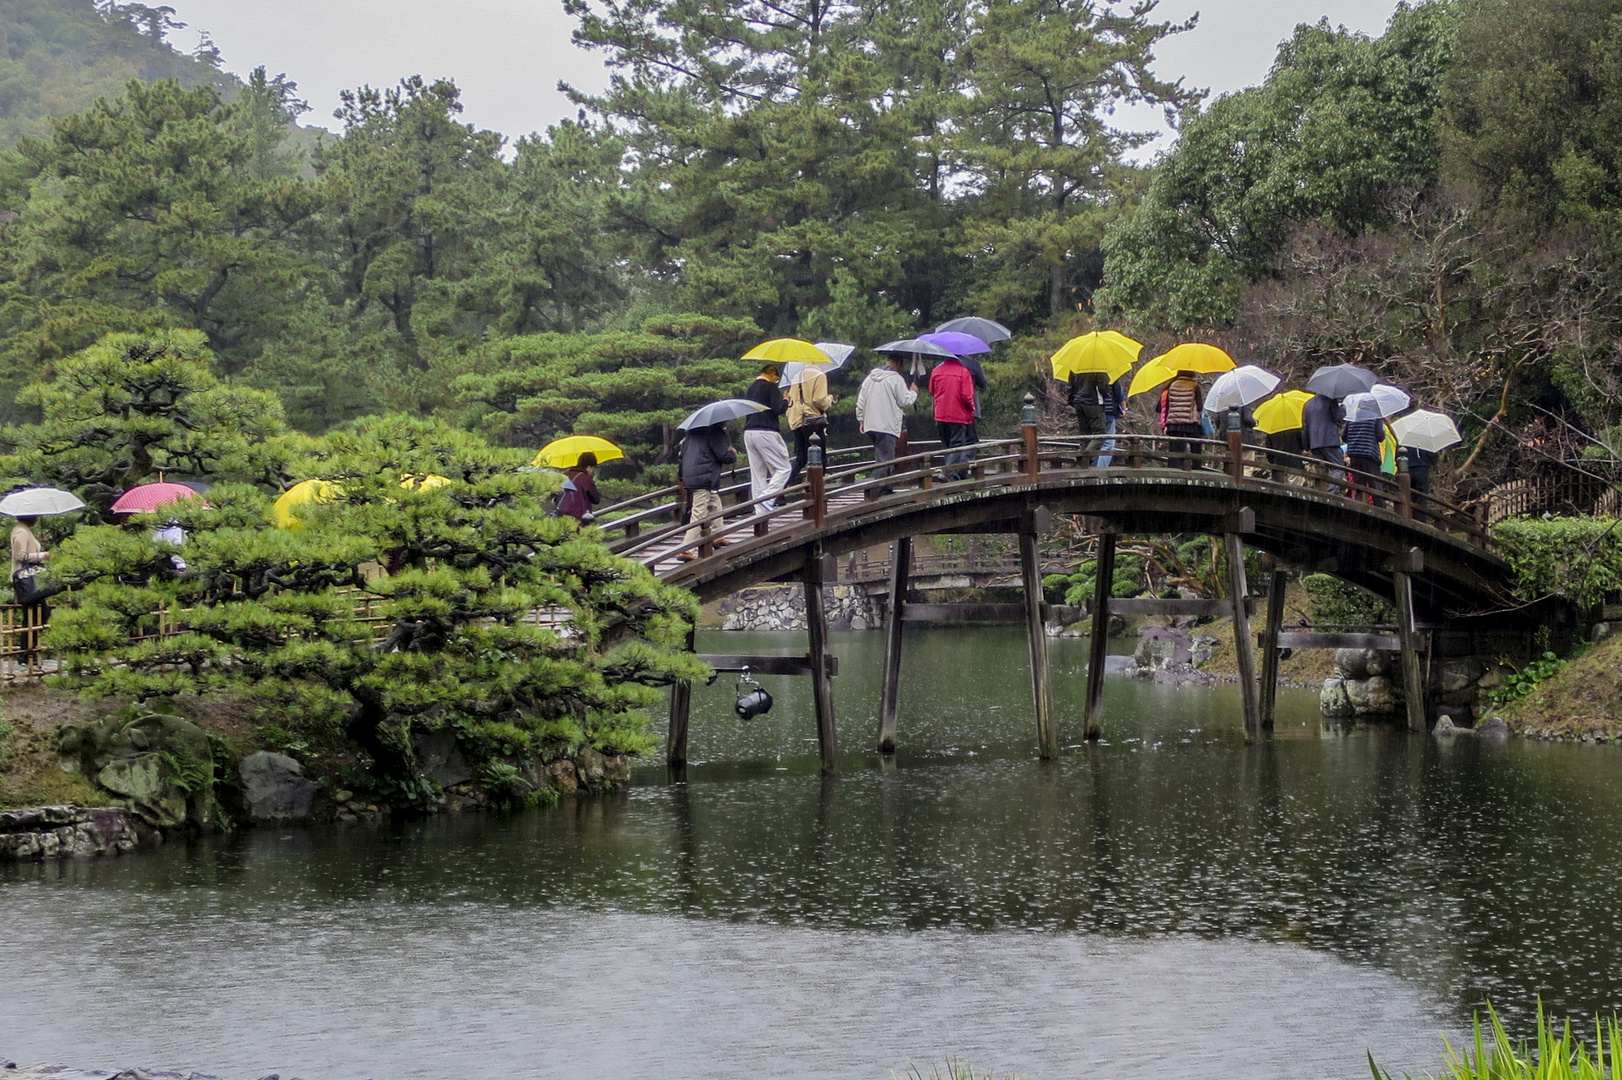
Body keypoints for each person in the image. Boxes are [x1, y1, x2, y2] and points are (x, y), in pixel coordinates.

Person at [856, 355, 917, 494]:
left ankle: (886, 487)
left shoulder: (869, 379)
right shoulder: (895, 379)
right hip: (886, 425)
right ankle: (881, 489)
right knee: (885, 457)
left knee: (882, 454)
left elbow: (860, 402)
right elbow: (904, 401)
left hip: (870, 423)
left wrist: (861, 420)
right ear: (897, 364)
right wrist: (913, 392)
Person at [678, 423, 736, 559]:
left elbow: (682, 457)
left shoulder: (691, 434)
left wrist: (682, 476)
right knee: (698, 514)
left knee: (715, 504)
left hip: (690, 476)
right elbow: (723, 456)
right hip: (704, 478)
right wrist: (732, 453)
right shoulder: (714, 432)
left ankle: (717, 535)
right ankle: (686, 549)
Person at [742, 364, 792, 511]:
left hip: (749, 431)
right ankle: (767, 498)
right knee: (784, 468)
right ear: (771, 374)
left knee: (758, 474)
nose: (776, 381)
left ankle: (760, 512)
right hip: (766, 431)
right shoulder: (770, 387)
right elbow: (778, 409)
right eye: (776, 378)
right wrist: (786, 400)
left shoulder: (751, 388)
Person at [786, 364, 835, 486]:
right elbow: (819, 400)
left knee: (800, 459)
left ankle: (780, 488)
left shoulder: (796, 376)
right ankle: (817, 491)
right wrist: (829, 399)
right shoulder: (819, 375)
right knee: (820, 458)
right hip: (812, 421)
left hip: (796, 421)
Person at [930, 354, 977, 480]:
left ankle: (952, 474)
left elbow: (932, 391)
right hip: (957, 414)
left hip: (940, 414)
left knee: (946, 444)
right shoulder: (963, 372)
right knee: (957, 445)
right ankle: (948, 473)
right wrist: (972, 408)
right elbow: (967, 396)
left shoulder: (936, 371)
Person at [10, 515, 51, 651]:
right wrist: (41, 555)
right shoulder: (21, 532)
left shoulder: (25, 530)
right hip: (25, 579)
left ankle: (27, 650)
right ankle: (26, 651)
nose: (38, 519)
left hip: (29, 578)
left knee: (36, 615)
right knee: (33, 616)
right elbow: (20, 555)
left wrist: (38, 543)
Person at [1158, 370, 1205, 470]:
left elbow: (1164, 406)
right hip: (1190, 422)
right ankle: (1196, 467)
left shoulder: (1171, 385)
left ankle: (1173, 468)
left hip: (1174, 423)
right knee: (1196, 446)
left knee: (1174, 448)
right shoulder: (1195, 386)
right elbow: (1200, 406)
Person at [1301, 392, 1346, 493]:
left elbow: (1305, 427)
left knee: (1320, 470)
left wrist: (1306, 445)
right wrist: (1343, 409)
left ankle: (1320, 492)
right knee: (1338, 468)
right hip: (1329, 440)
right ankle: (1331, 493)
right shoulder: (1331, 400)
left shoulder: (1308, 404)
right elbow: (1339, 418)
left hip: (1314, 443)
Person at [1068, 370, 1110, 465]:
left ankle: (1081, 463)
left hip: (1078, 402)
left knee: (1085, 435)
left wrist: (1073, 401)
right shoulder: (1098, 366)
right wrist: (1104, 397)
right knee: (1100, 434)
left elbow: (1070, 386)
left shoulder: (1076, 366)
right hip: (1093, 402)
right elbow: (1103, 385)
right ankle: (1084, 459)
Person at [1344, 413, 1383, 502]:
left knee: (1358, 485)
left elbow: (1344, 437)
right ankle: (1380, 508)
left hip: (1354, 453)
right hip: (1370, 454)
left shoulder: (1352, 417)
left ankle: (1359, 506)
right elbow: (1380, 436)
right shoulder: (1376, 416)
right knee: (1375, 485)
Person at [556, 451, 601, 524]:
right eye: (592, 468)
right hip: (578, 517)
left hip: (561, 515)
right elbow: (596, 499)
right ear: (589, 466)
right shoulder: (585, 478)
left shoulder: (565, 475)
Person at [1097, 375, 1128, 467]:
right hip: (1108, 413)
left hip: (1091, 414)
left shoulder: (1085, 374)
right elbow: (1119, 395)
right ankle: (1099, 472)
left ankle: (1091, 469)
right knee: (1108, 444)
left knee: (1095, 443)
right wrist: (1124, 409)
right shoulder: (1111, 375)